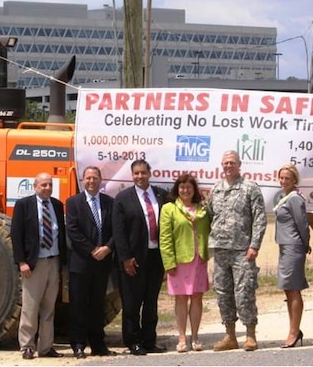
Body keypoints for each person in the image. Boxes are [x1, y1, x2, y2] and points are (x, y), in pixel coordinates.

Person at [205, 150, 266, 352]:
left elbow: (259, 218)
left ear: (239, 165)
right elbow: (209, 215)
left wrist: (254, 245)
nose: (228, 166)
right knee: (223, 293)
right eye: (225, 163)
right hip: (220, 250)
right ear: (221, 166)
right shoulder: (216, 190)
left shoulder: (250, 188)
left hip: (242, 250)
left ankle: (250, 335)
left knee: (245, 292)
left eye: (232, 163)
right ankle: (230, 336)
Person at [112, 159, 169, 355]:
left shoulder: (161, 195)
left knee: (151, 302)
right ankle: (133, 341)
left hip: (156, 257)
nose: (139, 176)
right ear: (132, 175)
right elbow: (118, 232)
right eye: (136, 173)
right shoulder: (122, 198)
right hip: (133, 259)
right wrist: (126, 258)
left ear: (149, 173)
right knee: (132, 303)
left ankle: (149, 340)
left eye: (143, 173)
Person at [10, 172, 67, 360]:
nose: (47, 188)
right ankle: (27, 346)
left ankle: (46, 347)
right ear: (35, 186)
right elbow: (16, 235)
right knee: (30, 307)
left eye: (50, 185)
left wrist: (62, 264)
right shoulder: (23, 205)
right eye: (43, 185)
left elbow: (62, 234)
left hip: (53, 261)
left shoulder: (57, 206)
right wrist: (22, 262)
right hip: (34, 264)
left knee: (49, 307)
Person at [65, 166, 117, 359]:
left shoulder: (109, 202)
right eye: (88, 178)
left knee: (97, 305)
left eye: (95, 178)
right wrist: (91, 250)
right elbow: (73, 231)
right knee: (78, 305)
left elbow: (115, 230)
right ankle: (78, 345)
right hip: (81, 262)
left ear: (100, 180)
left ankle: (98, 344)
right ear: (83, 180)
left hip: (102, 263)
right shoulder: (73, 203)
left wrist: (108, 248)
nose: (91, 181)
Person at [158, 173, 211, 353]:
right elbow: (165, 238)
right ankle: (182, 338)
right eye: (182, 187)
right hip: (179, 261)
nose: (185, 190)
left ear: (194, 190)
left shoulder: (203, 209)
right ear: (177, 189)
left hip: (199, 260)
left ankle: (195, 337)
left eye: (189, 187)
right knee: (181, 299)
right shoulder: (168, 209)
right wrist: (169, 263)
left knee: (197, 298)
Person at [273, 163, 310, 348]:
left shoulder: (295, 198)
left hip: (293, 247)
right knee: (288, 289)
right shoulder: (284, 197)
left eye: (287, 178)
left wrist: (305, 244)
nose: (283, 181)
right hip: (285, 246)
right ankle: (294, 328)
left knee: (294, 289)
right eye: (281, 177)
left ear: (294, 180)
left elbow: (302, 223)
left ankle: (294, 332)